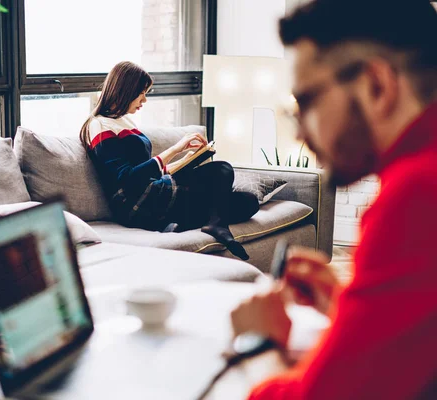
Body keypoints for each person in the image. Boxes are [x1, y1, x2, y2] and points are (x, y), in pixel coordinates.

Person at [225, 0, 437, 399]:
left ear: (377, 86)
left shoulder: (417, 195)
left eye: (305, 102)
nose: (301, 132)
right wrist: (352, 310)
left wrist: (257, 342)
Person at [80, 61, 259, 260]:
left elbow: (150, 170)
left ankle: (186, 224)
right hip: (137, 202)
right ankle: (214, 224)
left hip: (156, 191)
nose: (144, 100)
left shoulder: (123, 121)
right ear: (126, 90)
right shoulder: (99, 125)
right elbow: (127, 179)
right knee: (222, 170)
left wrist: (189, 159)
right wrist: (176, 148)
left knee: (248, 202)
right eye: (142, 93)